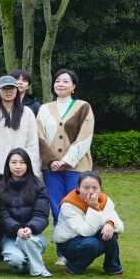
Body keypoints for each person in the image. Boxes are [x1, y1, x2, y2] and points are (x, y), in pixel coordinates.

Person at [37, 68, 95, 222]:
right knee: (56, 206)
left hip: (77, 166)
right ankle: (60, 236)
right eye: (57, 81)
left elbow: (85, 137)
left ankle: (79, 235)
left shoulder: (83, 107)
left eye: (65, 81)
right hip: (51, 168)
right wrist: (51, 160)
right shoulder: (44, 109)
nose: (60, 84)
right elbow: (39, 136)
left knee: (77, 204)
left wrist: (66, 161)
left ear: (73, 86)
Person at [0, 149, 51, 276]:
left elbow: (41, 215)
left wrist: (30, 228)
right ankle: (32, 263)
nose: (18, 166)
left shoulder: (39, 187)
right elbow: (2, 216)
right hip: (10, 236)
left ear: (28, 165)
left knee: (27, 241)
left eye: (22, 162)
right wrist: (17, 229)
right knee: (15, 260)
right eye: (14, 162)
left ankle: (34, 264)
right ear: (8, 165)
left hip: (34, 235)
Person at [54, 171, 125, 275]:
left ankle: (113, 268)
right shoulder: (68, 205)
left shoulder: (105, 200)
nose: (91, 192)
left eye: (95, 188)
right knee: (92, 243)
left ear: (100, 188)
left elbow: (119, 225)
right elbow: (86, 231)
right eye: (86, 188)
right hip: (69, 243)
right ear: (78, 188)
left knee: (110, 233)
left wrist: (109, 223)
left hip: (91, 238)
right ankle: (73, 268)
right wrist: (94, 208)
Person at [0, 75, 41, 182]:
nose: (8, 91)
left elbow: (32, 145)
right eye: (4, 88)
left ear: (17, 90)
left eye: (12, 88)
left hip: (21, 170)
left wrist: (33, 171)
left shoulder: (27, 112)